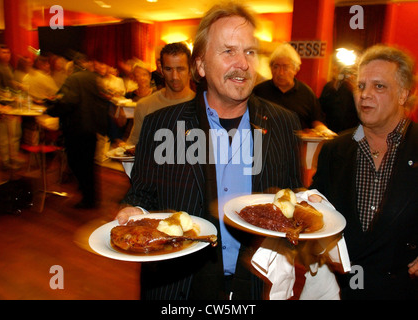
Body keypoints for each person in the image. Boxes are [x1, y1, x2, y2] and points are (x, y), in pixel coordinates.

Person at [115, 2, 303, 300]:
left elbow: (291, 195)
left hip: (255, 281)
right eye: (228, 51)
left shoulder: (283, 123)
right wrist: (135, 210)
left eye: (250, 52)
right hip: (180, 282)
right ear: (200, 65)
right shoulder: (161, 124)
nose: (242, 63)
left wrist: (307, 204)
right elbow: (142, 193)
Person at [310, 44, 418, 299]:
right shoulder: (334, 150)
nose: (365, 95)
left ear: (403, 94)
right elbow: (315, 213)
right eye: (361, 86)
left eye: (379, 86)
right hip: (345, 291)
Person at [46, 55, 110, 209]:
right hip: (91, 127)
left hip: (76, 128)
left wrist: (51, 109)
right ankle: (90, 194)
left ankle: (89, 198)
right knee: (88, 164)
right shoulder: (93, 78)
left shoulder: (73, 79)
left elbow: (67, 102)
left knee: (77, 162)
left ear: (71, 66)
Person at [253, 43, 334, 135]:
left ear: (295, 69)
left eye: (285, 67)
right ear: (271, 69)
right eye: (276, 67)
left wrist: (324, 131)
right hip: (263, 145)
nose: (280, 73)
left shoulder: (306, 93)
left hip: (297, 146)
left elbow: (317, 121)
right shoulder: (259, 91)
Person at [126, 42, 195, 146]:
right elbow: (134, 147)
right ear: (161, 70)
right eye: (168, 69)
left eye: (180, 69)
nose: (175, 76)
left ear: (190, 70)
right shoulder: (144, 106)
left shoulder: (204, 106)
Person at [319, 61, 359, 133]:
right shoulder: (330, 87)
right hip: (331, 132)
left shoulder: (360, 92)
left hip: (352, 133)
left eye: (353, 74)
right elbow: (320, 110)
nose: (349, 77)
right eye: (346, 74)